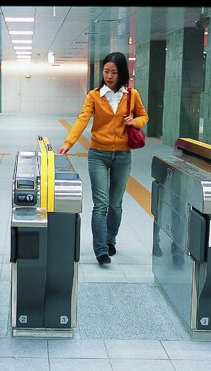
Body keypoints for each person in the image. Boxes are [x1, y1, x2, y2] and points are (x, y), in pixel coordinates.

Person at [58, 51, 149, 265]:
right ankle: (100, 250)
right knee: (101, 204)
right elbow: (82, 120)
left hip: (123, 156)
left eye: (114, 72)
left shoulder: (132, 95)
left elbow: (144, 115)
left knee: (115, 204)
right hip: (98, 154)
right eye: (106, 71)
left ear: (122, 73)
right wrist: (69, 143)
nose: (109, 76)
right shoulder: (94, 95)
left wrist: (135, 123)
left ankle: (110, 240)